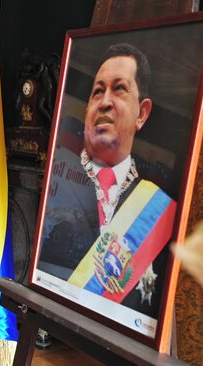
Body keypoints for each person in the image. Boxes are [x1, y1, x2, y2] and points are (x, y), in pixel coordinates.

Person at [38, 43, 176, 317]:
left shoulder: (153, 209)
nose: (105, 101)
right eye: (97, 91)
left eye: (119, 89)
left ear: (142, 113)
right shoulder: (56, 172)